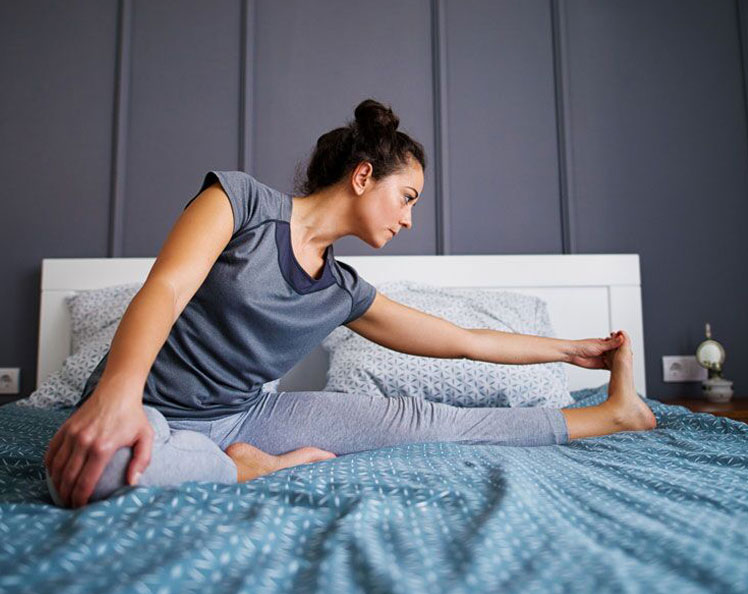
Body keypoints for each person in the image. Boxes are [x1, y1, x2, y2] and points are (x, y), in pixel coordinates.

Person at [43, 99, 656, 509]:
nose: (410, 219)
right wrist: (117, 397)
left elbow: (465, 340)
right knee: (90, 471)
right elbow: (166, 289)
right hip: (145, 404)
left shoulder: (342, 291)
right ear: (363, 176)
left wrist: (572, 350)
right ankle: (248, 470)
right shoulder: (241, 204)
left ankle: (613, 414)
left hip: (246, 419)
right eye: (407, 196)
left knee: (425, 420)